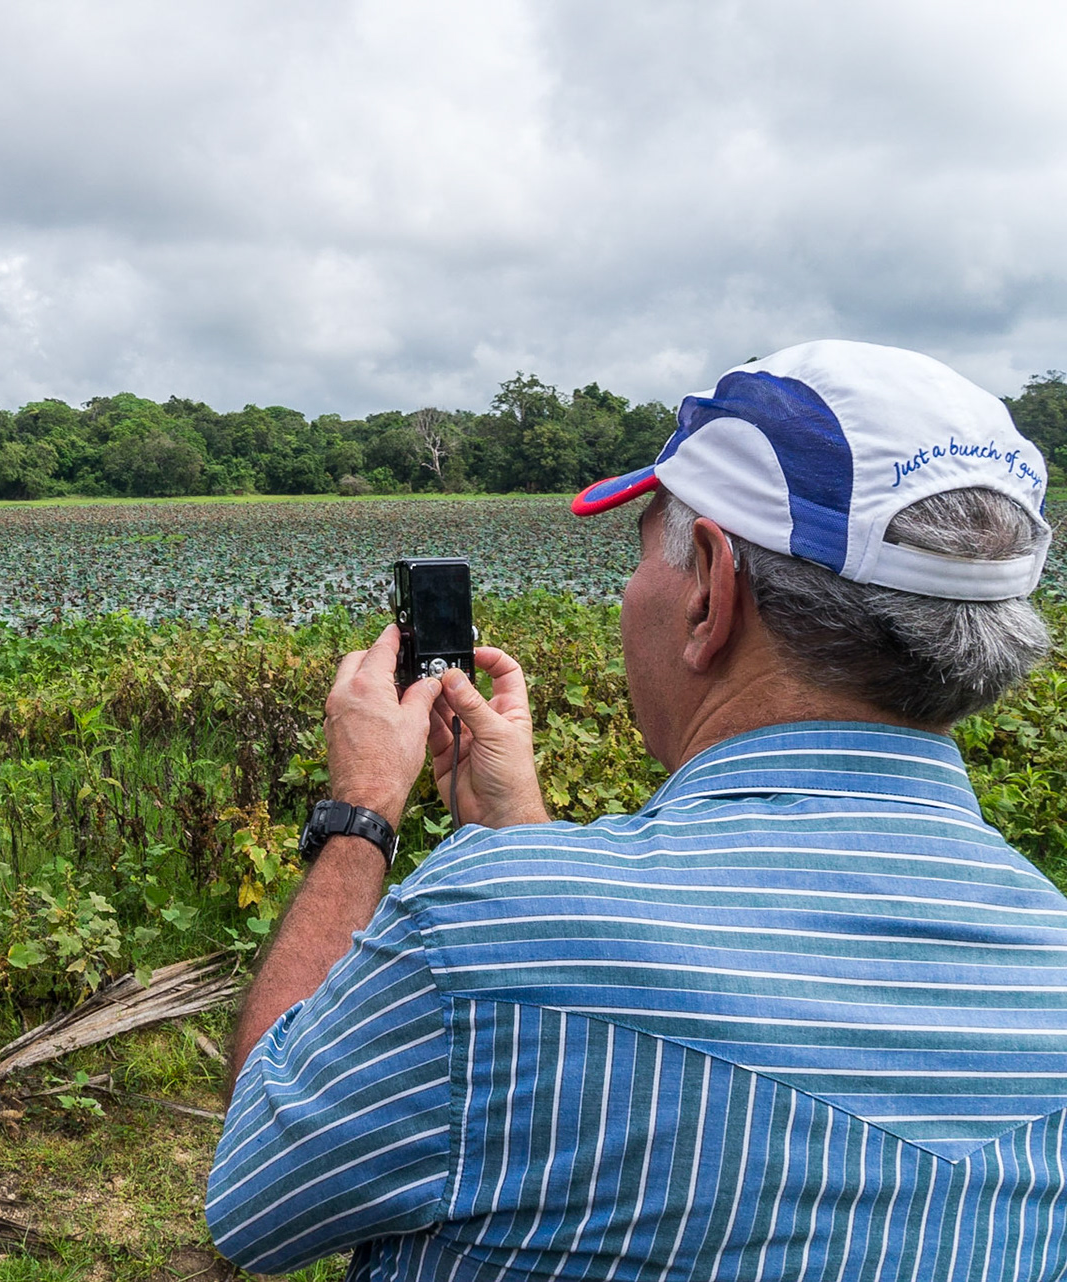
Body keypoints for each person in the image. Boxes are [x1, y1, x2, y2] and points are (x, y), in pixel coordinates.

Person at [206, 340, 1067, 1279]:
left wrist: (362, 816)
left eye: (640, 552)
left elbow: (256, 1189)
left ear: (710, 588)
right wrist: (518, 841)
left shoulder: (485, 927)